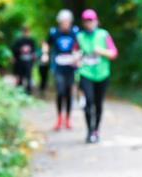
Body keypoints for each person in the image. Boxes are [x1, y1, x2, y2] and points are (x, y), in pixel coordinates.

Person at [73, 9, 117, 143]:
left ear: (96, 21)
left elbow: (113, 53)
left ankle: (96, 130)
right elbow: (75, 52)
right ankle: (89, 130)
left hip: (102, 74)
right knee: (88, 102)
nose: (89, 23)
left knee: (98, 103)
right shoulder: (80, 36)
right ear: (83, 22)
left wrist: (101, 51)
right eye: (86, 21)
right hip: (86, 73)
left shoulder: (103, 35)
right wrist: (77, 59)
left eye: (91, 20)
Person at [47, 9, 80, 130]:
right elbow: (46, 43)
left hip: (71, 67)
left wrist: (78, 56)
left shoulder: (75, 32)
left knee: (68, 93)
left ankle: (68, 119)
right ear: (59, 22)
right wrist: (45, 54)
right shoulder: (54, 32)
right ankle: (59, 117)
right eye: (63, 22)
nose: (66, 24)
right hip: (58, 66)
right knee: (60, 92)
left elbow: (80, 46)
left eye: (68, 21)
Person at [10, 25, 37, 95]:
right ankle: (20, 91)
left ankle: (28, 91)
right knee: (20, 76)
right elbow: (14, 49)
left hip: (29, 61)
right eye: (25, 31)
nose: (26, 33)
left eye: (27, 31)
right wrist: (19, 51)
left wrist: (34, 56)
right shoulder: (18, 41)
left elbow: (34, 50)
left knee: (28, 76)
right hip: (20, 62)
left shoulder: (31, 41)